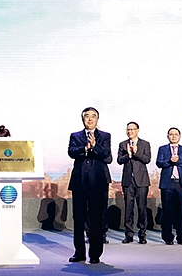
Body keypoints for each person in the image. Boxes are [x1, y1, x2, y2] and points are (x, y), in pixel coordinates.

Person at [67, 107, 111, 265]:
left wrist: (95, 146)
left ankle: (95, 254)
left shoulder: (105, 136)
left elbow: (106, 155)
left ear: (97, 119)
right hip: (79, 182)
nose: (90, 119)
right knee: (78, 219)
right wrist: (85, 148)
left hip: (98, 182)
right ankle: (79, 253)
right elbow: (71, 152)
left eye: (93, 116)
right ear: (83, 119)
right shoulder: (75, 136)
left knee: (97, 218)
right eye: (87, 116)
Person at [116, 121, 151, 244]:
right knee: (128, 208)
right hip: (128, 180)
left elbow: (147, 159)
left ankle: (142, 234)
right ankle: (129, 234)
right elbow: (119, 160)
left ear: (137, 130)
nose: (130, 131)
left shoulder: (145, 144)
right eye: (128, 129)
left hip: (141, 180)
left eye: (132, 129)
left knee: (142, 208)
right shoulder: (122, 144)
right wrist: (129, 155)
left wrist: (136, 153)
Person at [156, 127, 182, 245]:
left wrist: (177, 160)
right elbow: (159, 163)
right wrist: (170, 161)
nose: (174, 136)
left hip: (181, 183)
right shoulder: (162, 149)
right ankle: (168, 237)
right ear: (168, 136)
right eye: (171, 134)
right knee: (167, 211)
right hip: (167, 183)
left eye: (176, 134)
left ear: (179, 136)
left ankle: (181, 237)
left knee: (181, 211)